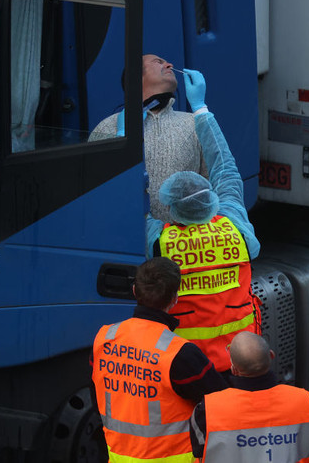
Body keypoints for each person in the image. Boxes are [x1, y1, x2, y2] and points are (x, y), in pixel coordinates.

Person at [148, 68, 261, 374]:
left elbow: (127, 209)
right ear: (211, 198)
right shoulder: (234, 224)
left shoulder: (160, 241)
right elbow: (225, 168)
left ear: (169, 206)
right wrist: (201, 108)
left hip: (188, 368)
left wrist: (123, 133)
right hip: (244, 361)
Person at [91, 257, 227, 463]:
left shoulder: (104, 338)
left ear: (135, 291)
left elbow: (97, 396)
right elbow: (222, 404)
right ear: (175, 298)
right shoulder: (180, 353)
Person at [89, 54, 208, 225]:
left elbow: (212, 181)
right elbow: (95, 190)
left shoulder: (194, 123)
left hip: (184, 243)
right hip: (126, 235)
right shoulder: (107, 127)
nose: (169, 64)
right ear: (136, 76)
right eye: (158, 62)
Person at [189, 332, 309, 462]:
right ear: (271, 355)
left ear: (234, 369)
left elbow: (201, 454)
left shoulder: (208, 409)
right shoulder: (304, 400)